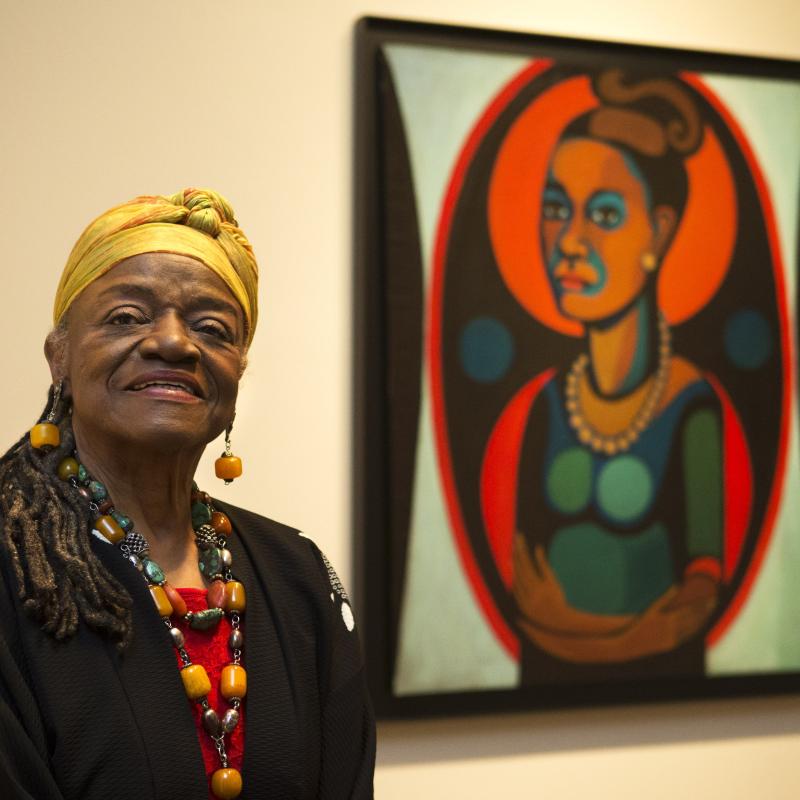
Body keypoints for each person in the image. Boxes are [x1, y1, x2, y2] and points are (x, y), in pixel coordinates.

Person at [0, 189, 375, 799]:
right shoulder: (17, 563)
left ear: (238, 372)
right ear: (59, 356)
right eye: (127, 317)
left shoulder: (297, 577)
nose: (174, 343)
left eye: (212, 328)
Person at [512, 71, 725, 680]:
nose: (570, 242)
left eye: (603, 214)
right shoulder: (549, 406)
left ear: (657, 232)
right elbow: (527, 599)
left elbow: (697, 600)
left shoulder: (690, 407)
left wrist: (586, 638)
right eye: (557, 209)